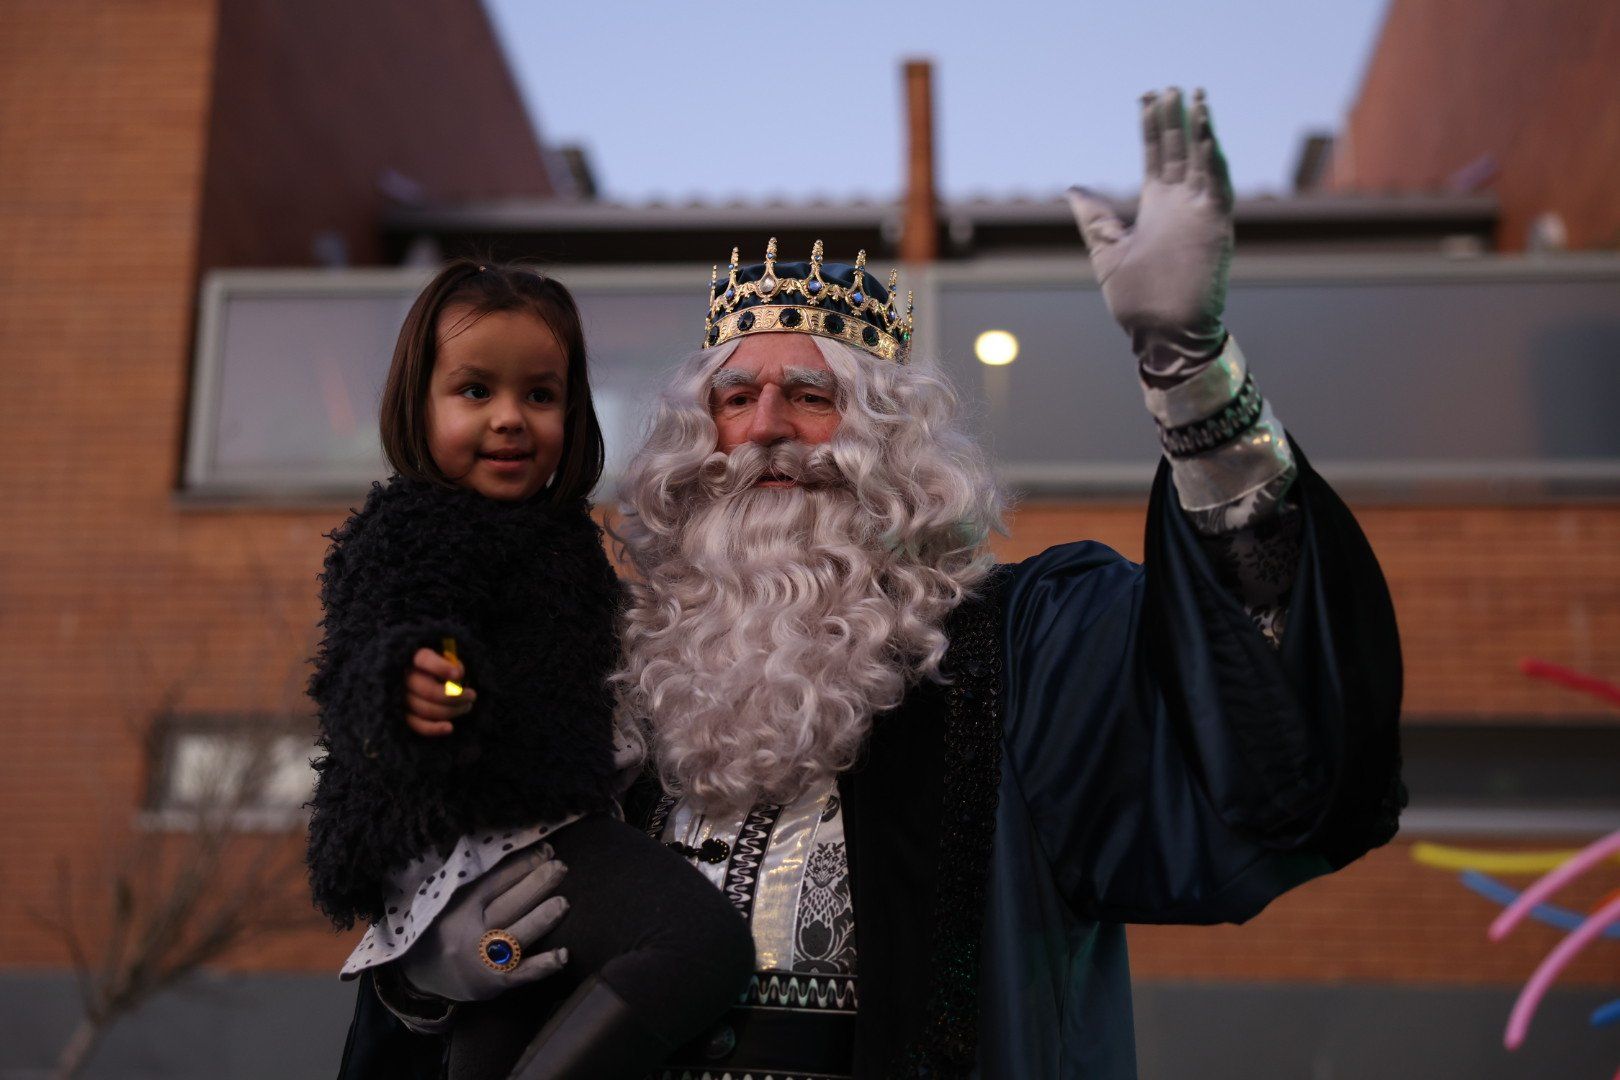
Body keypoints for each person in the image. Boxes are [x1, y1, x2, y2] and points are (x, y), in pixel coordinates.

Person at [359, 89, 1405, 1079]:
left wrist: (1193, 378)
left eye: (810, 395)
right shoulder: (600, 661)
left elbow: (1262, 730)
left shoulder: (1023, 652)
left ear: (890, 446)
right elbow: (421, 826)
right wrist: (422, 986)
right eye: (736, 400)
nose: (766, 427)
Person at [306, 259, 753, 1080]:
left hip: (549, 822)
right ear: (417, 402)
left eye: (540, 396)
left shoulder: (567, 545)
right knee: (698, 943)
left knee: (503, 1040)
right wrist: (413, 685)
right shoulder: (413, 528)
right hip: (495, 830)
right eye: (475, 391)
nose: (511, 420)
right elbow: (381, 648)